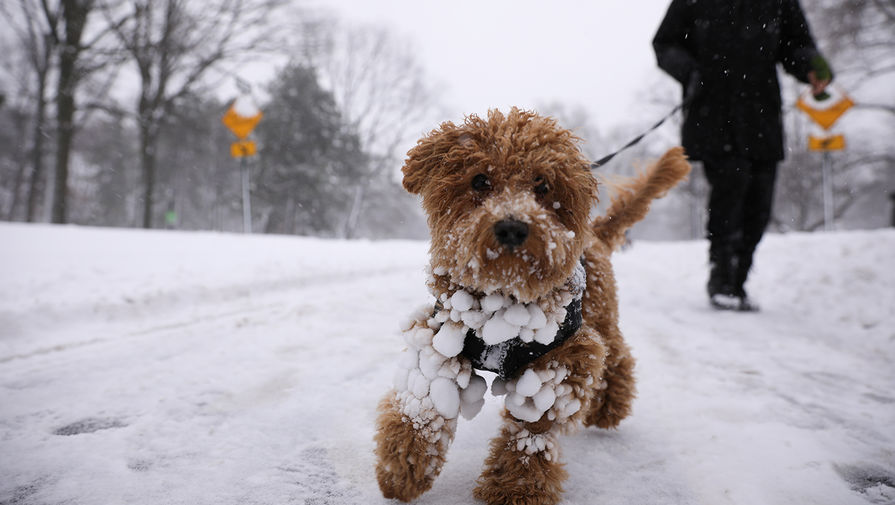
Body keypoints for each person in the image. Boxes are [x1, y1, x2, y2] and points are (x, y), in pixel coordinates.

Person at [653, 0, 832, 311]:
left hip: (761, 116)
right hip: (712, 114)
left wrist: (811, 65)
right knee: (730, 190)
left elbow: (795, 44)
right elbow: (665, 43)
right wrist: (690, 72)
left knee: (759, 205)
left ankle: (738, 280)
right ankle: (722, 278)